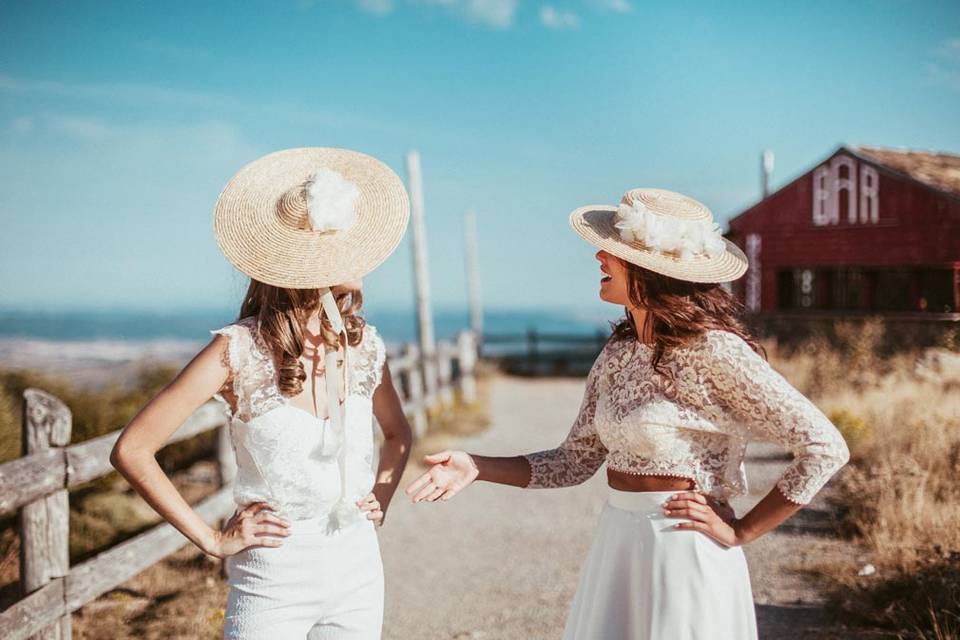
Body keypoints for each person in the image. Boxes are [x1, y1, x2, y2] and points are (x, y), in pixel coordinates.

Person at [405, 188, 850, 639]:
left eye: (615, 252)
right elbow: (574, 462)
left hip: (683, 546)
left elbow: (825, 447)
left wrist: (744, 531)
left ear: (653, 272)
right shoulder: (618, 352)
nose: (599, 255)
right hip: (617, 542)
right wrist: (475, 467)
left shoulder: (715, 350)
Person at [111, 147, 413, 639]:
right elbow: (132, 449)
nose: (365, 257)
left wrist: (381, 494)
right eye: (348, 243)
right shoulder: (237, 350)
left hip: (359, 567)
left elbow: (399, 434)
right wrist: (211, 539)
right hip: (272, 578)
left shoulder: (365, 345)